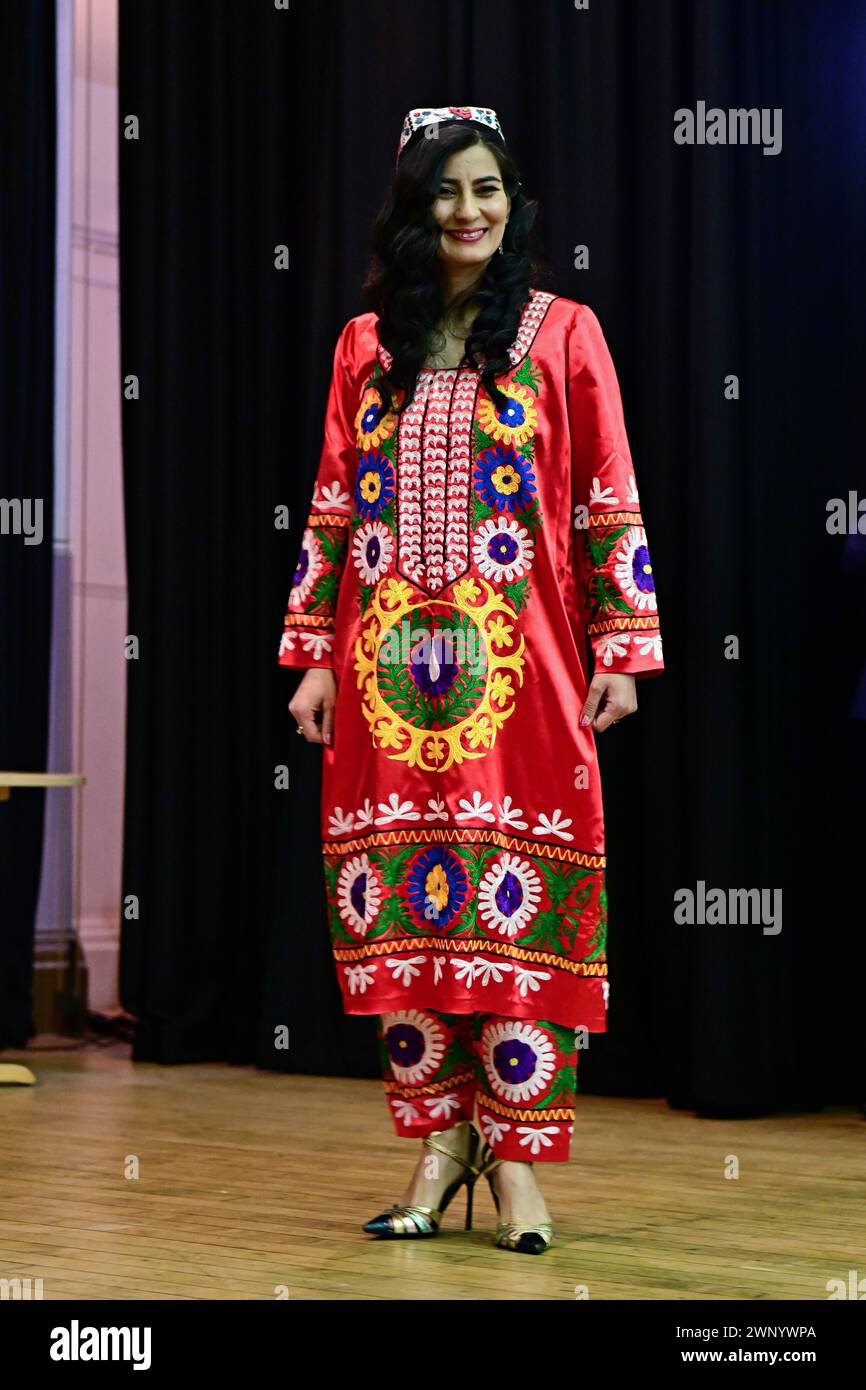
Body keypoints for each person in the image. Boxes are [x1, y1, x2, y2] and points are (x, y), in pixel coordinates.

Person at [280, 105, 664, 1254]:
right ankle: (436, 1147)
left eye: (486, 189)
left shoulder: (561, 332)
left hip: (526, 674)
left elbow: (607, 494)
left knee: (518, 918)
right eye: (445, 191)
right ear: (413, 207)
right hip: (385, 683)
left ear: (513, 202)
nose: (468, 212)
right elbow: (334, 509)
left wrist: (622, 648)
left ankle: (517, 1173)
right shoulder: (366, 346)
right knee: (407, 924)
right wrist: (309, 657)